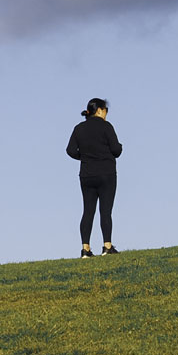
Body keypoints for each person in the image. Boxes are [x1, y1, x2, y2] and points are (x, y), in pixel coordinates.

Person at [66, 98, 123, 257]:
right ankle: (107, 246)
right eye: (105, 111)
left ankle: (85, 249)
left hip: (86, 174)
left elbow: (70, 150)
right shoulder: (106, 127)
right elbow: (116, 150)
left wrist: (84, 157)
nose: (106, 114)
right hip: (106, 173)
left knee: (87, 211)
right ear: (99, 110)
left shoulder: (79, 128)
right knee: (105, 211)